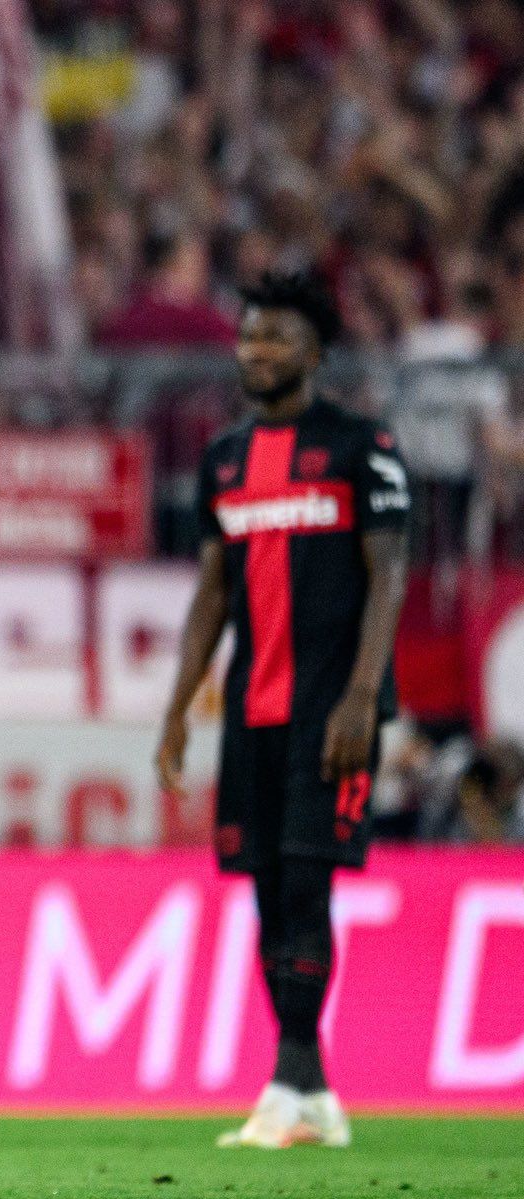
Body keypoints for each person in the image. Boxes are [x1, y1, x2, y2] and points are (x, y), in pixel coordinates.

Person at [156, 269, 410, 1150]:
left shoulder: (361, 448)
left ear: (317, 351)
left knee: (307, 883)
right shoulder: (224, 460)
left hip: (331, 710)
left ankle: (293, 1081)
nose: (258, 351)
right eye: (250, 335)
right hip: (253, 714)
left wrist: (364, 696)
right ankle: (308, 1088)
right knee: (268, 891)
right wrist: (178, 707)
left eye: (278, 337)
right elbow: (213, 593)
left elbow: (389, 577)